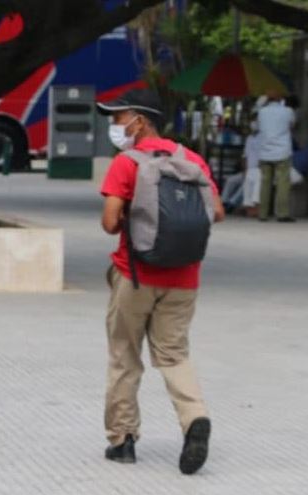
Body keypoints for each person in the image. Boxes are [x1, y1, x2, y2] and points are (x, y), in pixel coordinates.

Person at [95, 89, 226, 475]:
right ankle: (194, 418)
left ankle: (122, 441)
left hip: (135, 274)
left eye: (119, 118)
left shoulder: (127, 162)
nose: (115, 125)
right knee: (174, 355)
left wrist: (136, 218)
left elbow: (108, 223)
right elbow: (216, 212)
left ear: (140, 120)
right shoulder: (192, 160)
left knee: (125, 355)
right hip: (185, 276)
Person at [256, 90, 296, 222]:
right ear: (281, 99)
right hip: (282, 151)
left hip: (265, 151)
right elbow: (292, 125)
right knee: (283, 183)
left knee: (265, 183)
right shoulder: (288, 111)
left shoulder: (262, 112)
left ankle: (263, 214)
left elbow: (257, 125)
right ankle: (282, 214)